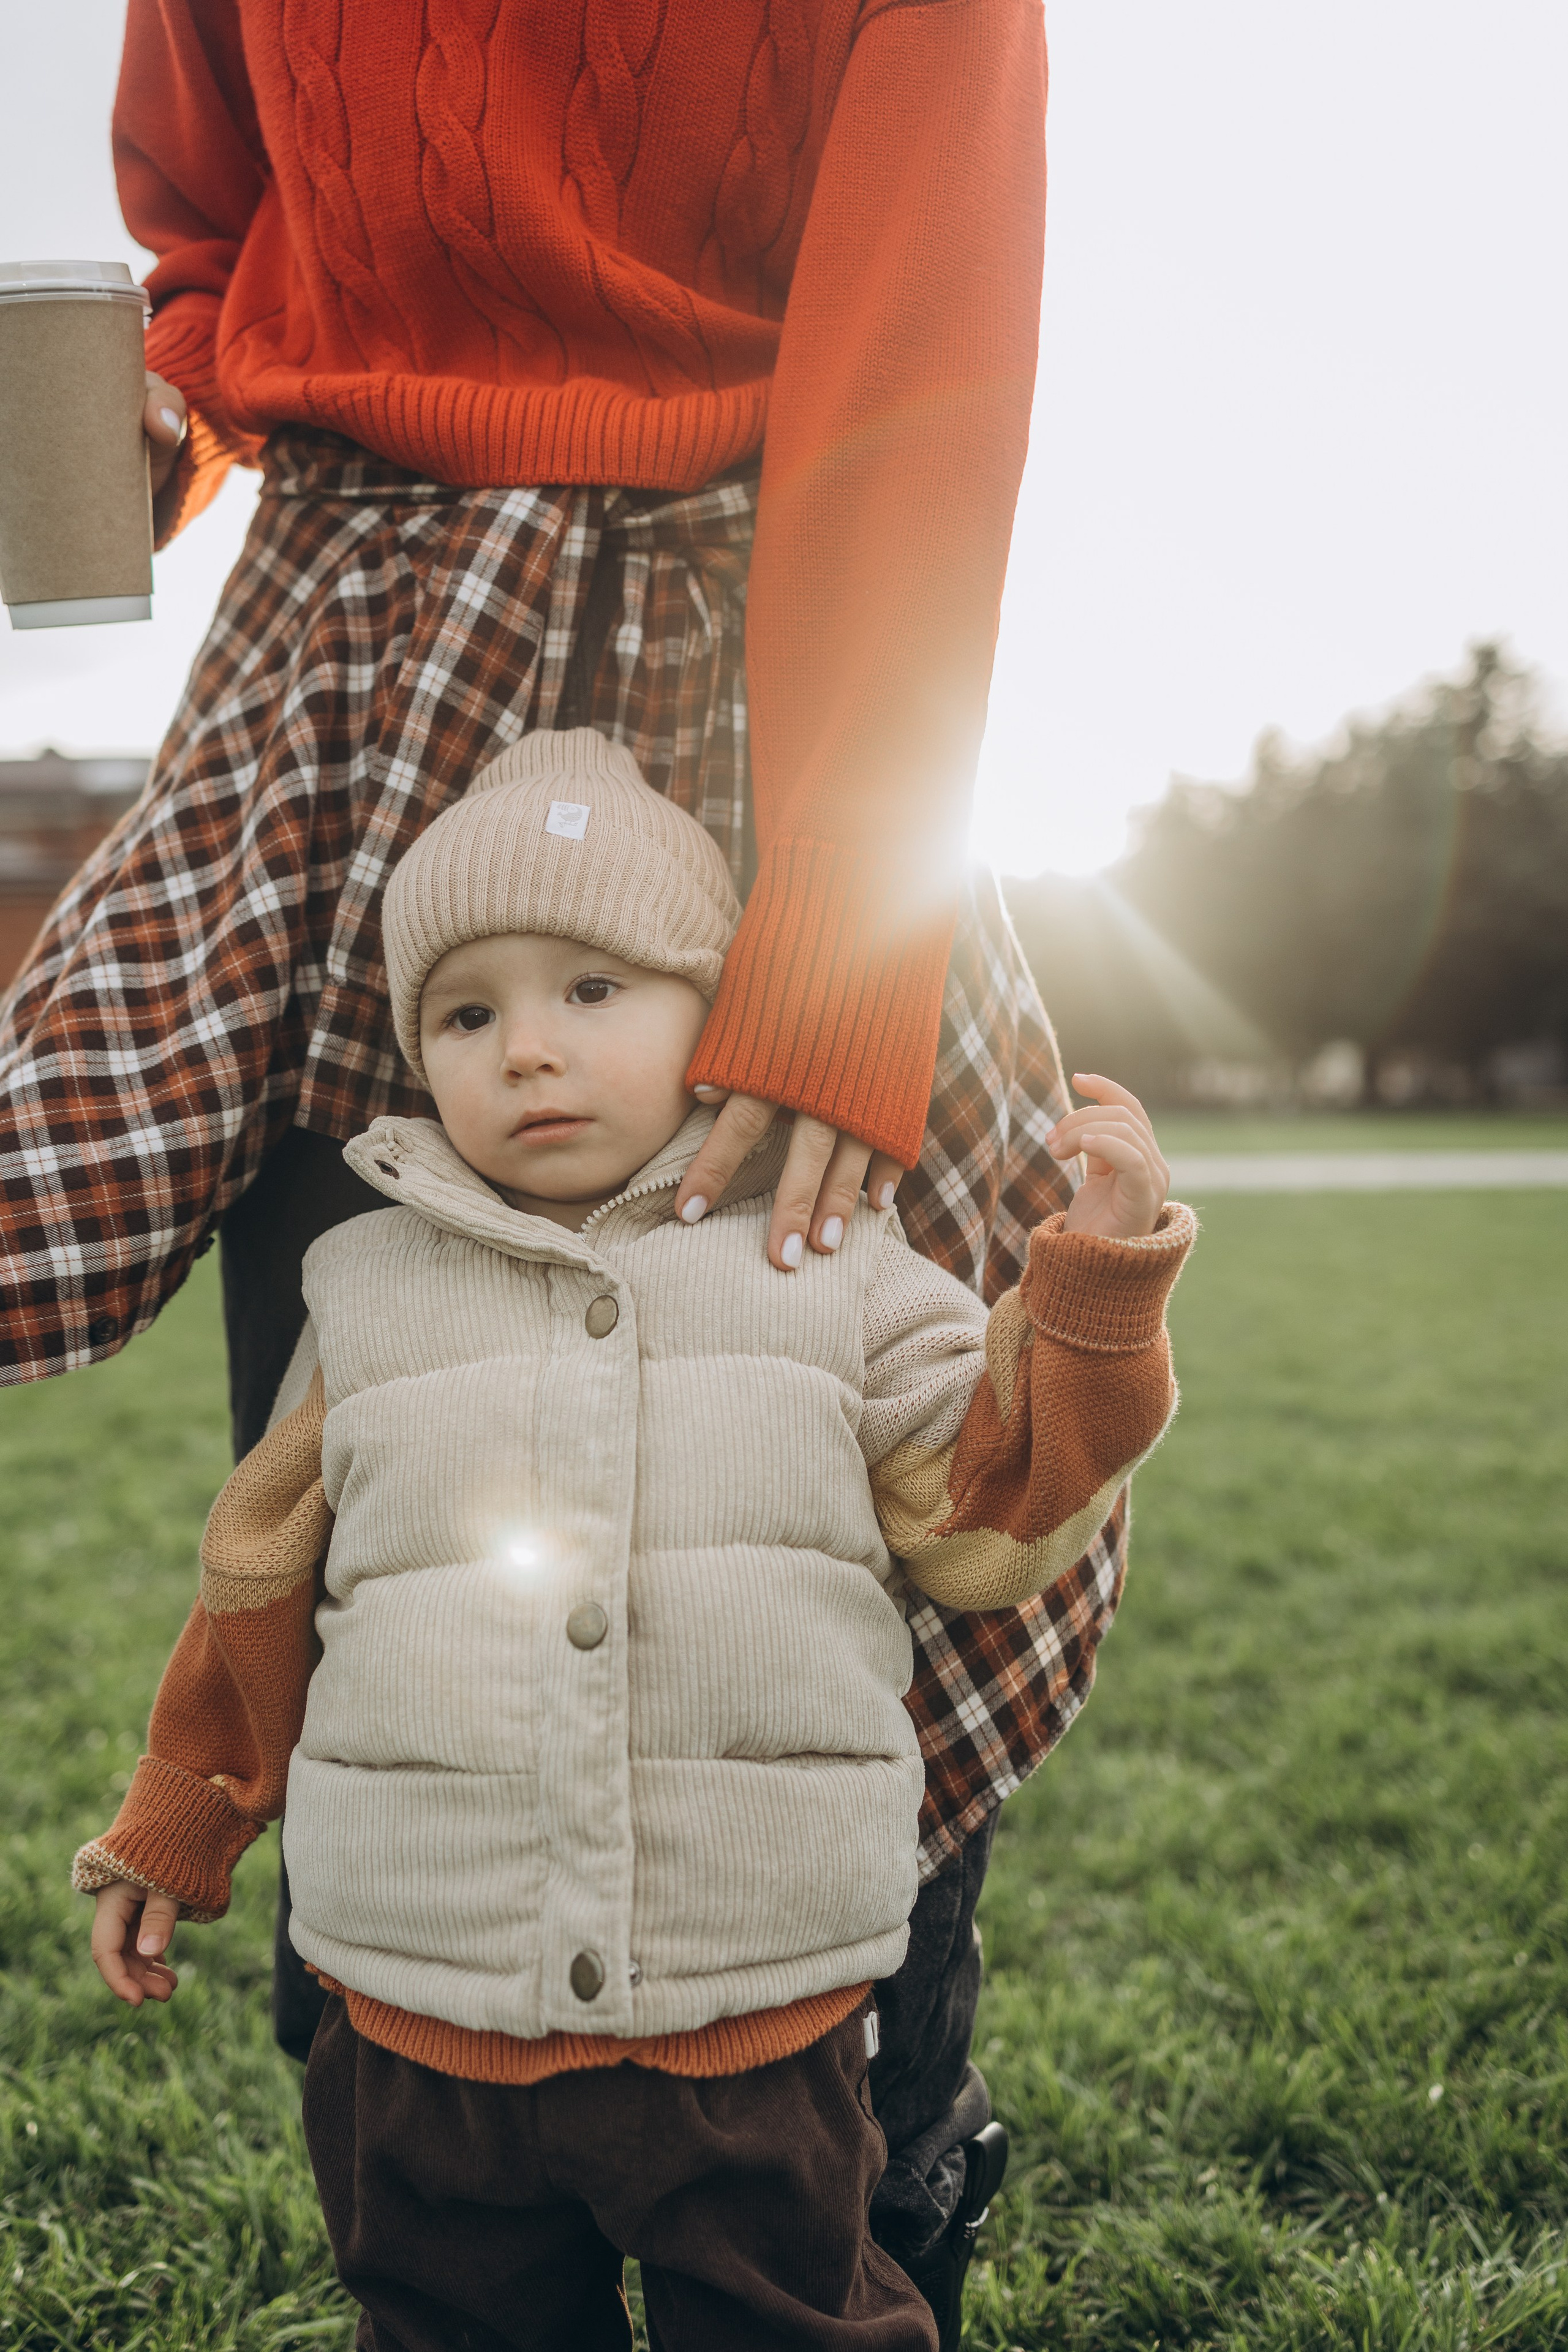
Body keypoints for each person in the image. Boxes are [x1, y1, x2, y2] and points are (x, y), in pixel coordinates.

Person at [1, 4, 1131, 2332]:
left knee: (830, 1485)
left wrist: (841, 930)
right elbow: (205, 222)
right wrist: (174, 400)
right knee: (383, 1469)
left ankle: (852, 2193)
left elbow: (933, 339)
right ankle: (434, 2159)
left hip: (767, 657)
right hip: (344, 665)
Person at [78, 735, 1193, 2352]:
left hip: (750, 2013)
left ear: (716, 1013)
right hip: (418, 2020)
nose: (527, 1050)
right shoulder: (365, 1289)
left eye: (593, 991)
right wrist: (183, 1816)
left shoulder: (837, 1259)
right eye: (468, 1015)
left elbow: (990, 1514)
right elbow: (260, 1585)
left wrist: (1095, 1293)